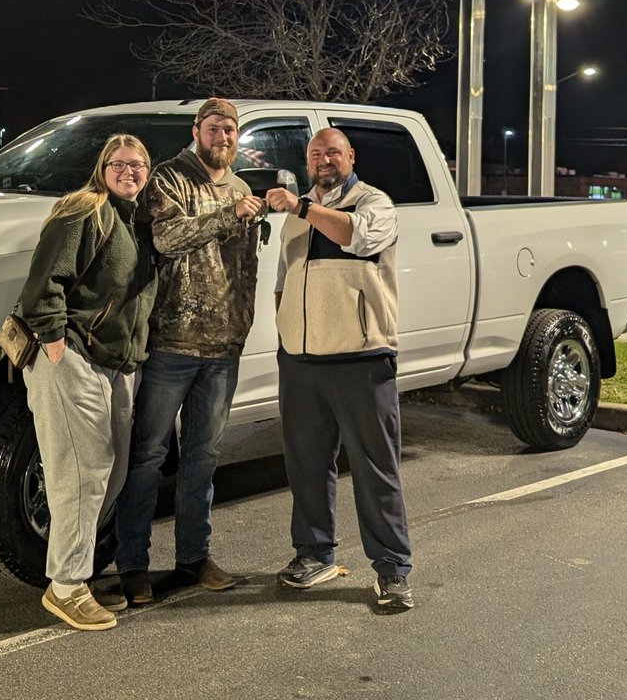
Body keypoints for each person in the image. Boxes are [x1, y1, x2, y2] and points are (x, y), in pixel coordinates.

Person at [115, 97, 263, 604]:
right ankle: (132, 565)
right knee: (148, 456)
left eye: (231, 130)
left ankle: (194, 558)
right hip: (172, 343)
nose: (224, 137)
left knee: (204, 456)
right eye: (216, 128)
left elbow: (246, 268)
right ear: (197, 130)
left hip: (224, 347)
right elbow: (165, 238)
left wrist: (243, 324)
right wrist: (227, 214)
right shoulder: (168, 178)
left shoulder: (241, 186)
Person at [265, 128, 415, 613]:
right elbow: (285, 277)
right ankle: (314, 555)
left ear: (350, 156)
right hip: (301, 359)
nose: (324, 159)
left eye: (333, 151)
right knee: (306, 463)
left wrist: (302, 208)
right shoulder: (299, 209)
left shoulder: (374, 202)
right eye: (315, 153)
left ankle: (392, 570)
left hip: (361, 357)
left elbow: (356, 236)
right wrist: (286, 330)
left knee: (375, 467)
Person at [19, 133, 157, 632]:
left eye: (138, 164)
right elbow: (42, 285)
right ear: (102, 168)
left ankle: (76, 573)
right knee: (81, 470)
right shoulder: (83, 209)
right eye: (119, 163)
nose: (129, 171)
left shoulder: (138, 222)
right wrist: (57, 345)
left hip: (118, 364)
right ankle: (66, 586)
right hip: (74, 357)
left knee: (110, 472)